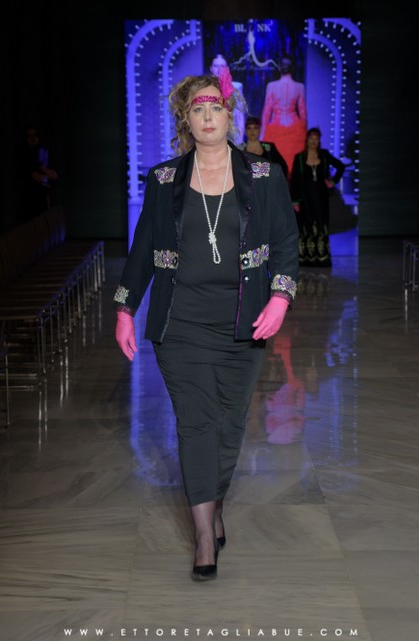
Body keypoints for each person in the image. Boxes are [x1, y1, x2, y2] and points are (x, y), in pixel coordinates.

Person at [114, 71, 299, 582]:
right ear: (186, 119)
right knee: (196, 423)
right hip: (181, 323)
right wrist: (125, 308)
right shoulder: (163, 179)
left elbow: (286, 243)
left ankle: (212, 502)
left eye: (215, 107)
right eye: (197, 109)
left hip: (243, 324)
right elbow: (143, 249)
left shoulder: (263, 176)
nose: (208, 117)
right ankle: (203, 534)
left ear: (229, 114)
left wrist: (280, 297)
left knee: (230, 425)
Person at [290, 127, 346, 268]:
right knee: (306, 226)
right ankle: (307, 258)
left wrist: (333, 181)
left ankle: (322, 258)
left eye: (316, 139)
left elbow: (340, 166)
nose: (313, 141)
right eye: (311, 138)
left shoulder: (324, 155)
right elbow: (295, 180)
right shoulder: (300, 158)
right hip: (305, 199)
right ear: (307, 140)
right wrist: (294, 200)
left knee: (321, 225)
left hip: (321, 198)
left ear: (319, 141)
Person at [260, 54, 307, 180]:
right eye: (284, 64)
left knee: (282, 164)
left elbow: (267, 111)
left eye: (286, 64)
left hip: (280, 129)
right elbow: (302, 112)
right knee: (284, 164)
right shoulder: (299, 86)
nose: (285, 67)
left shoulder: (272, 86)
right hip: (293, 128)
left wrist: (262, 134)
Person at [18, 126, 58, 221]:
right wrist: (44, 175)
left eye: (35, 135)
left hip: (44, 195)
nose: (33, 138)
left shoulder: (43, 153)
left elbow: (55, 175)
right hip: (30, 196)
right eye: (29, 135)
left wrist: (45, 170)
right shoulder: (24, 155)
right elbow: (36, 176)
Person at [210, 53, 246, 144]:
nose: (219, 69)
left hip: (230, 135)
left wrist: (240, 140)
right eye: (216, 66)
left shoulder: (235, 88)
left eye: (222, 66)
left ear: (227, 69)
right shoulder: (204, 89)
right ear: (211, 68)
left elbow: (239, 116)